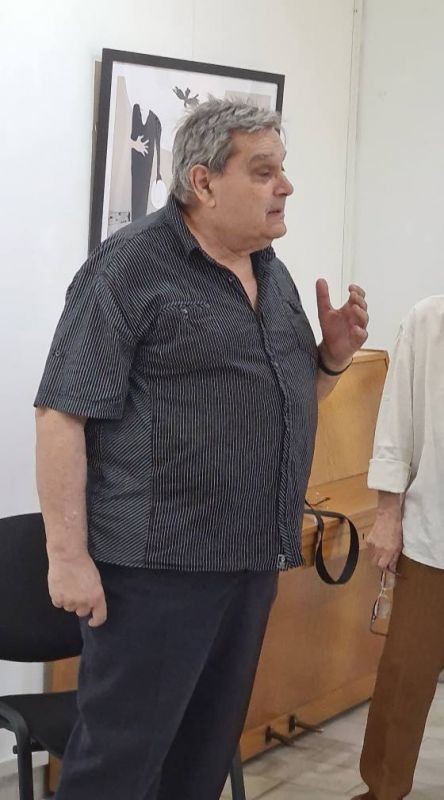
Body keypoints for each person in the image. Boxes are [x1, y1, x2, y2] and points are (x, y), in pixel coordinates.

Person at [35, 99, 369, 800]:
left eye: (282, 169)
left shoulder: (271, 273)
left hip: (248, 565)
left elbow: (284, 403)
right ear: (204, 181)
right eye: (263, 171)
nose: (285, 186)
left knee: (202, 761)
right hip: (154, 574)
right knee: (117, 768)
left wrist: (331, 360)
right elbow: (61, 414)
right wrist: (66, 558)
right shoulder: (128, 269)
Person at [353, 295, 444, 800]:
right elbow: (396, 428)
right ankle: (382, 790)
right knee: (405, 675)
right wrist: (387, 516)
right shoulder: (428, 320)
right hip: (433, 534)